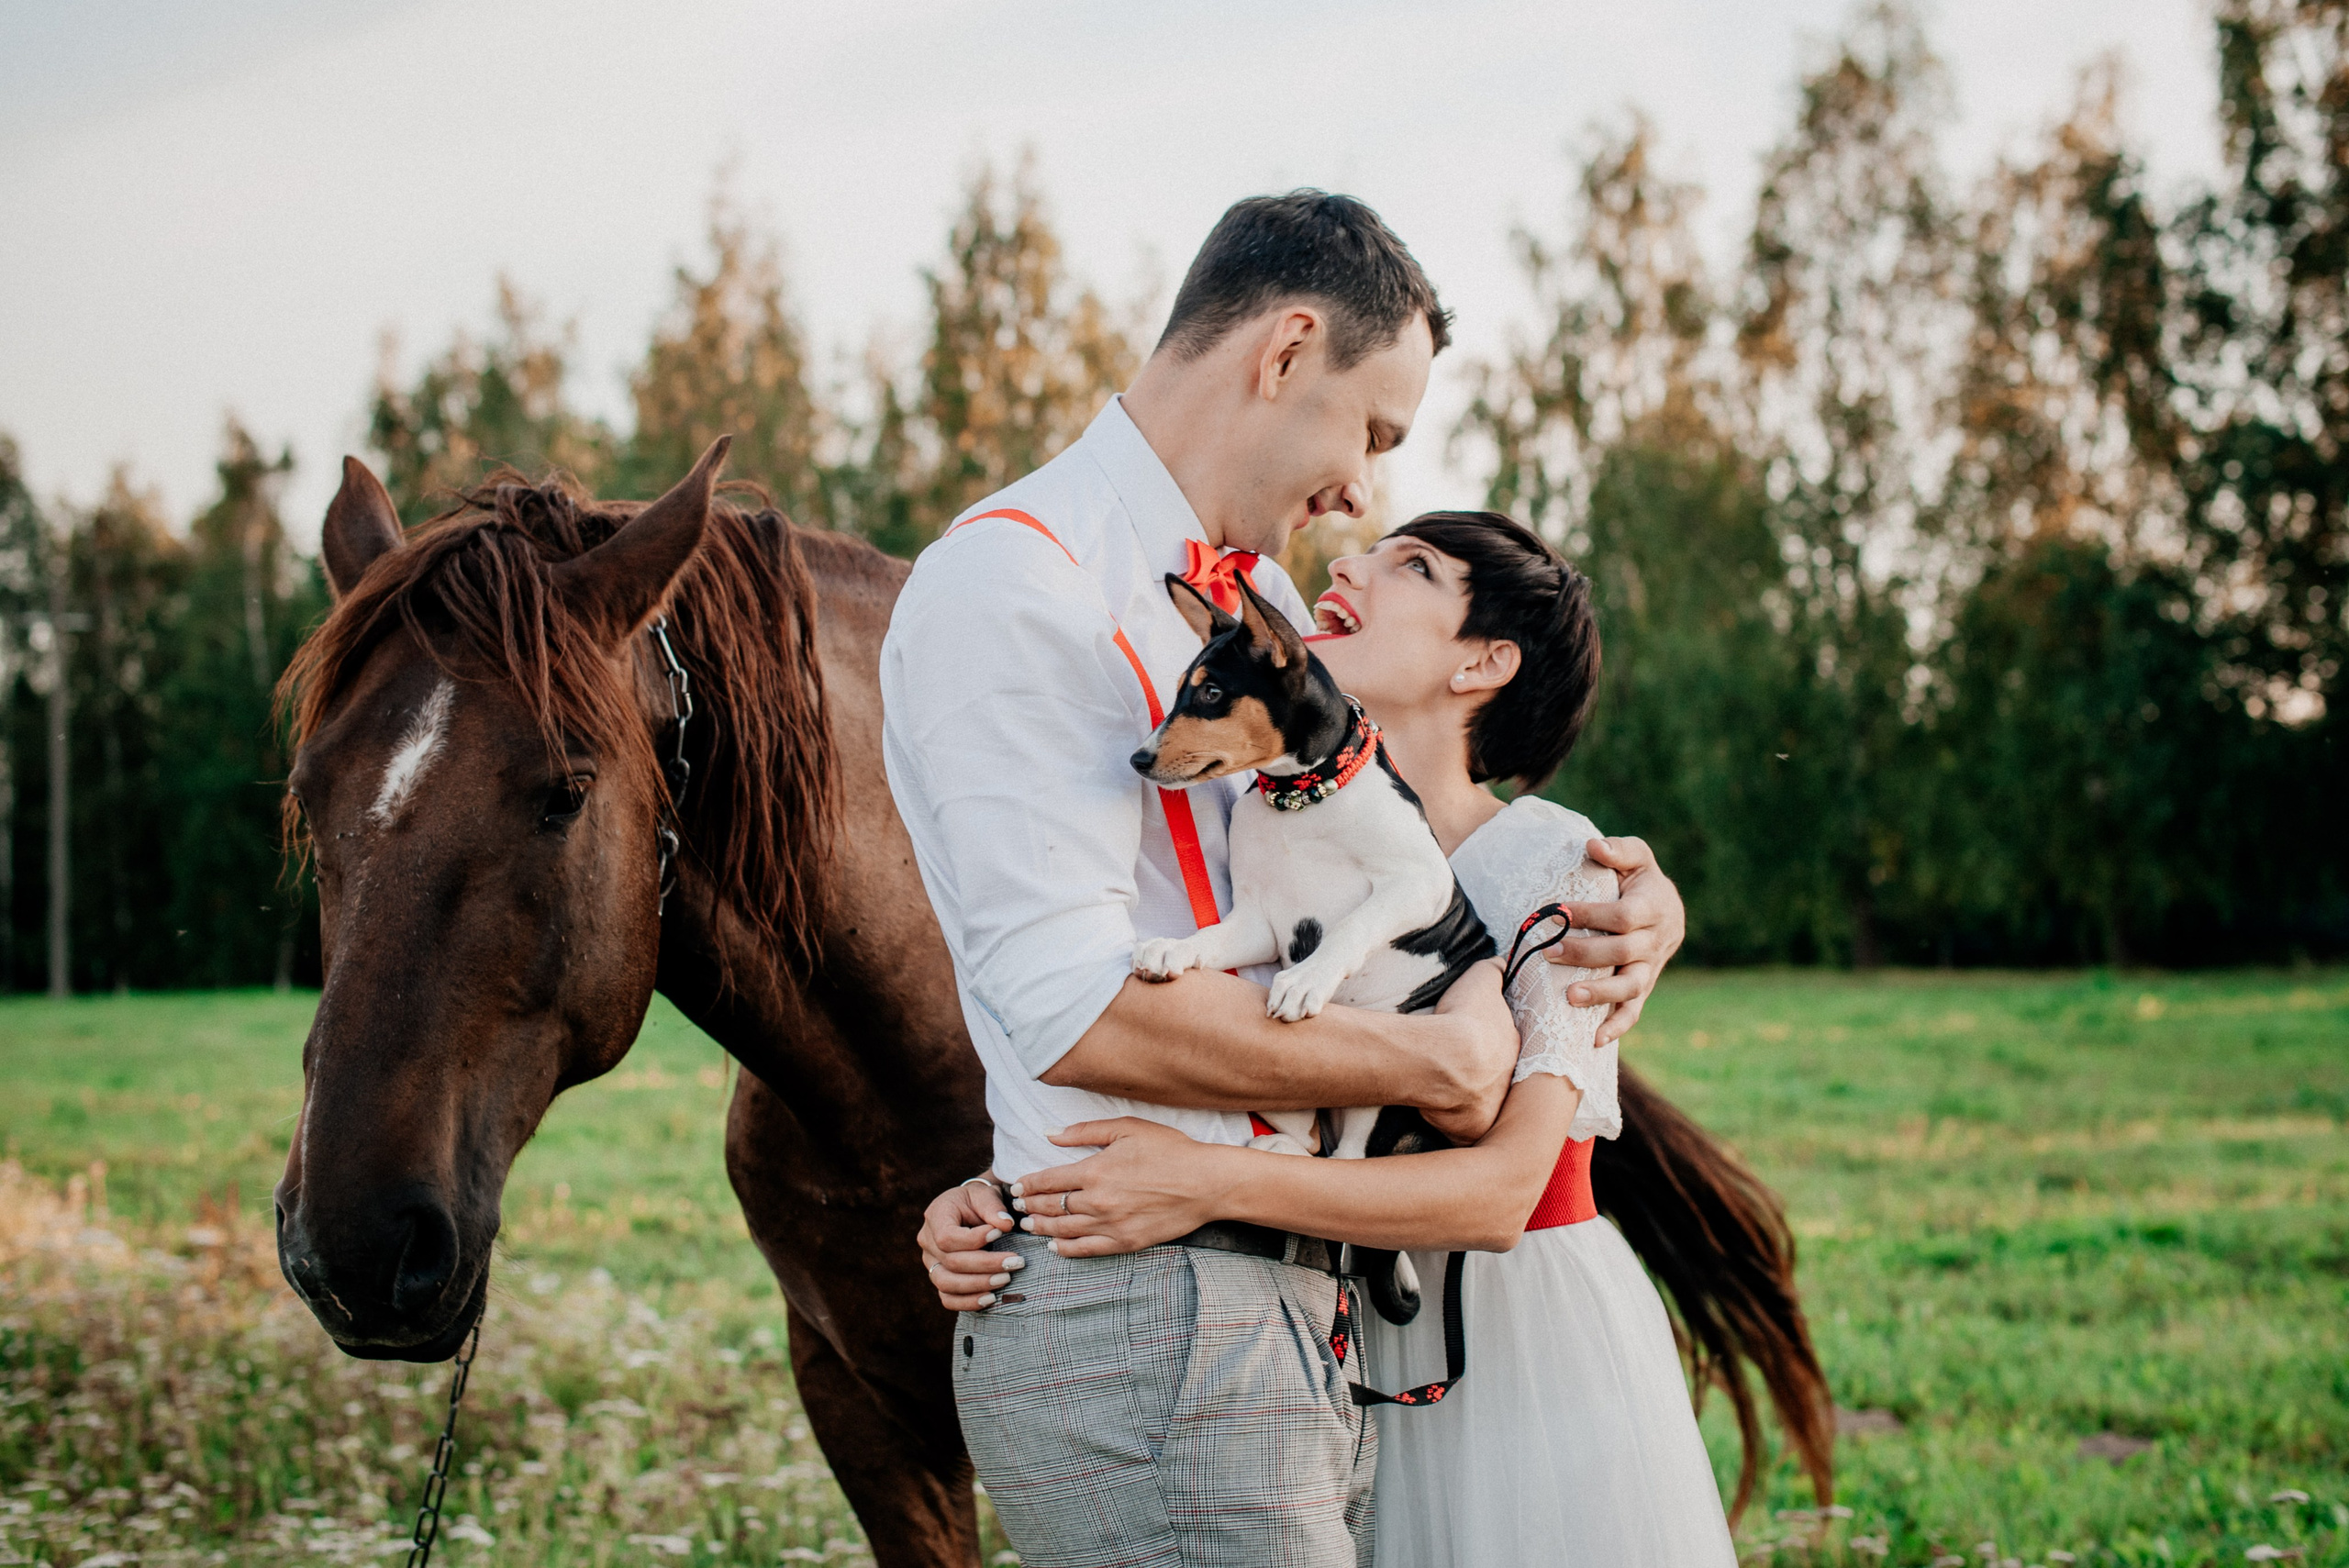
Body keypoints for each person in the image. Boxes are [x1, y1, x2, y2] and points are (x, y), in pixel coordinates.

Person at [879, 193, 1691, 1568]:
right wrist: (1439, 1059)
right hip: (1162, 1317)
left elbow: (1347, 878)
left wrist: (1631, 910)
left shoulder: (1254, 613)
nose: (1364, 499)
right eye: (1373, 431)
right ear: (1286, 351)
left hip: (1293, 1318)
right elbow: (1076, 1004)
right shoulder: (1022, 590)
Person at [919, 512, 1834, 1565]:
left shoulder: (1563, 866)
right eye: (1364, 549)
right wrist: (1004, 1187)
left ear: (1485, 662)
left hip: (1516, 1350)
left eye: (1414, 566)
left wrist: (1207, 1180)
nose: (1345, 562)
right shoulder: (1254, 821)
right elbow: (1191, 1056)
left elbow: (1499, 1194)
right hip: (1328, 1341)